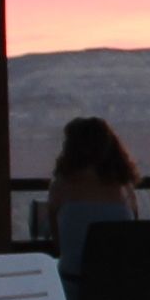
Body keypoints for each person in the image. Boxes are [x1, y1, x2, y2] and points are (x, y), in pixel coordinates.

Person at [44, 116, 142, 276]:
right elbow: (133, 233)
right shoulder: (125, 190)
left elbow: (59, 244)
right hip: (117, 284)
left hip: (74, 282)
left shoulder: (60, 187)